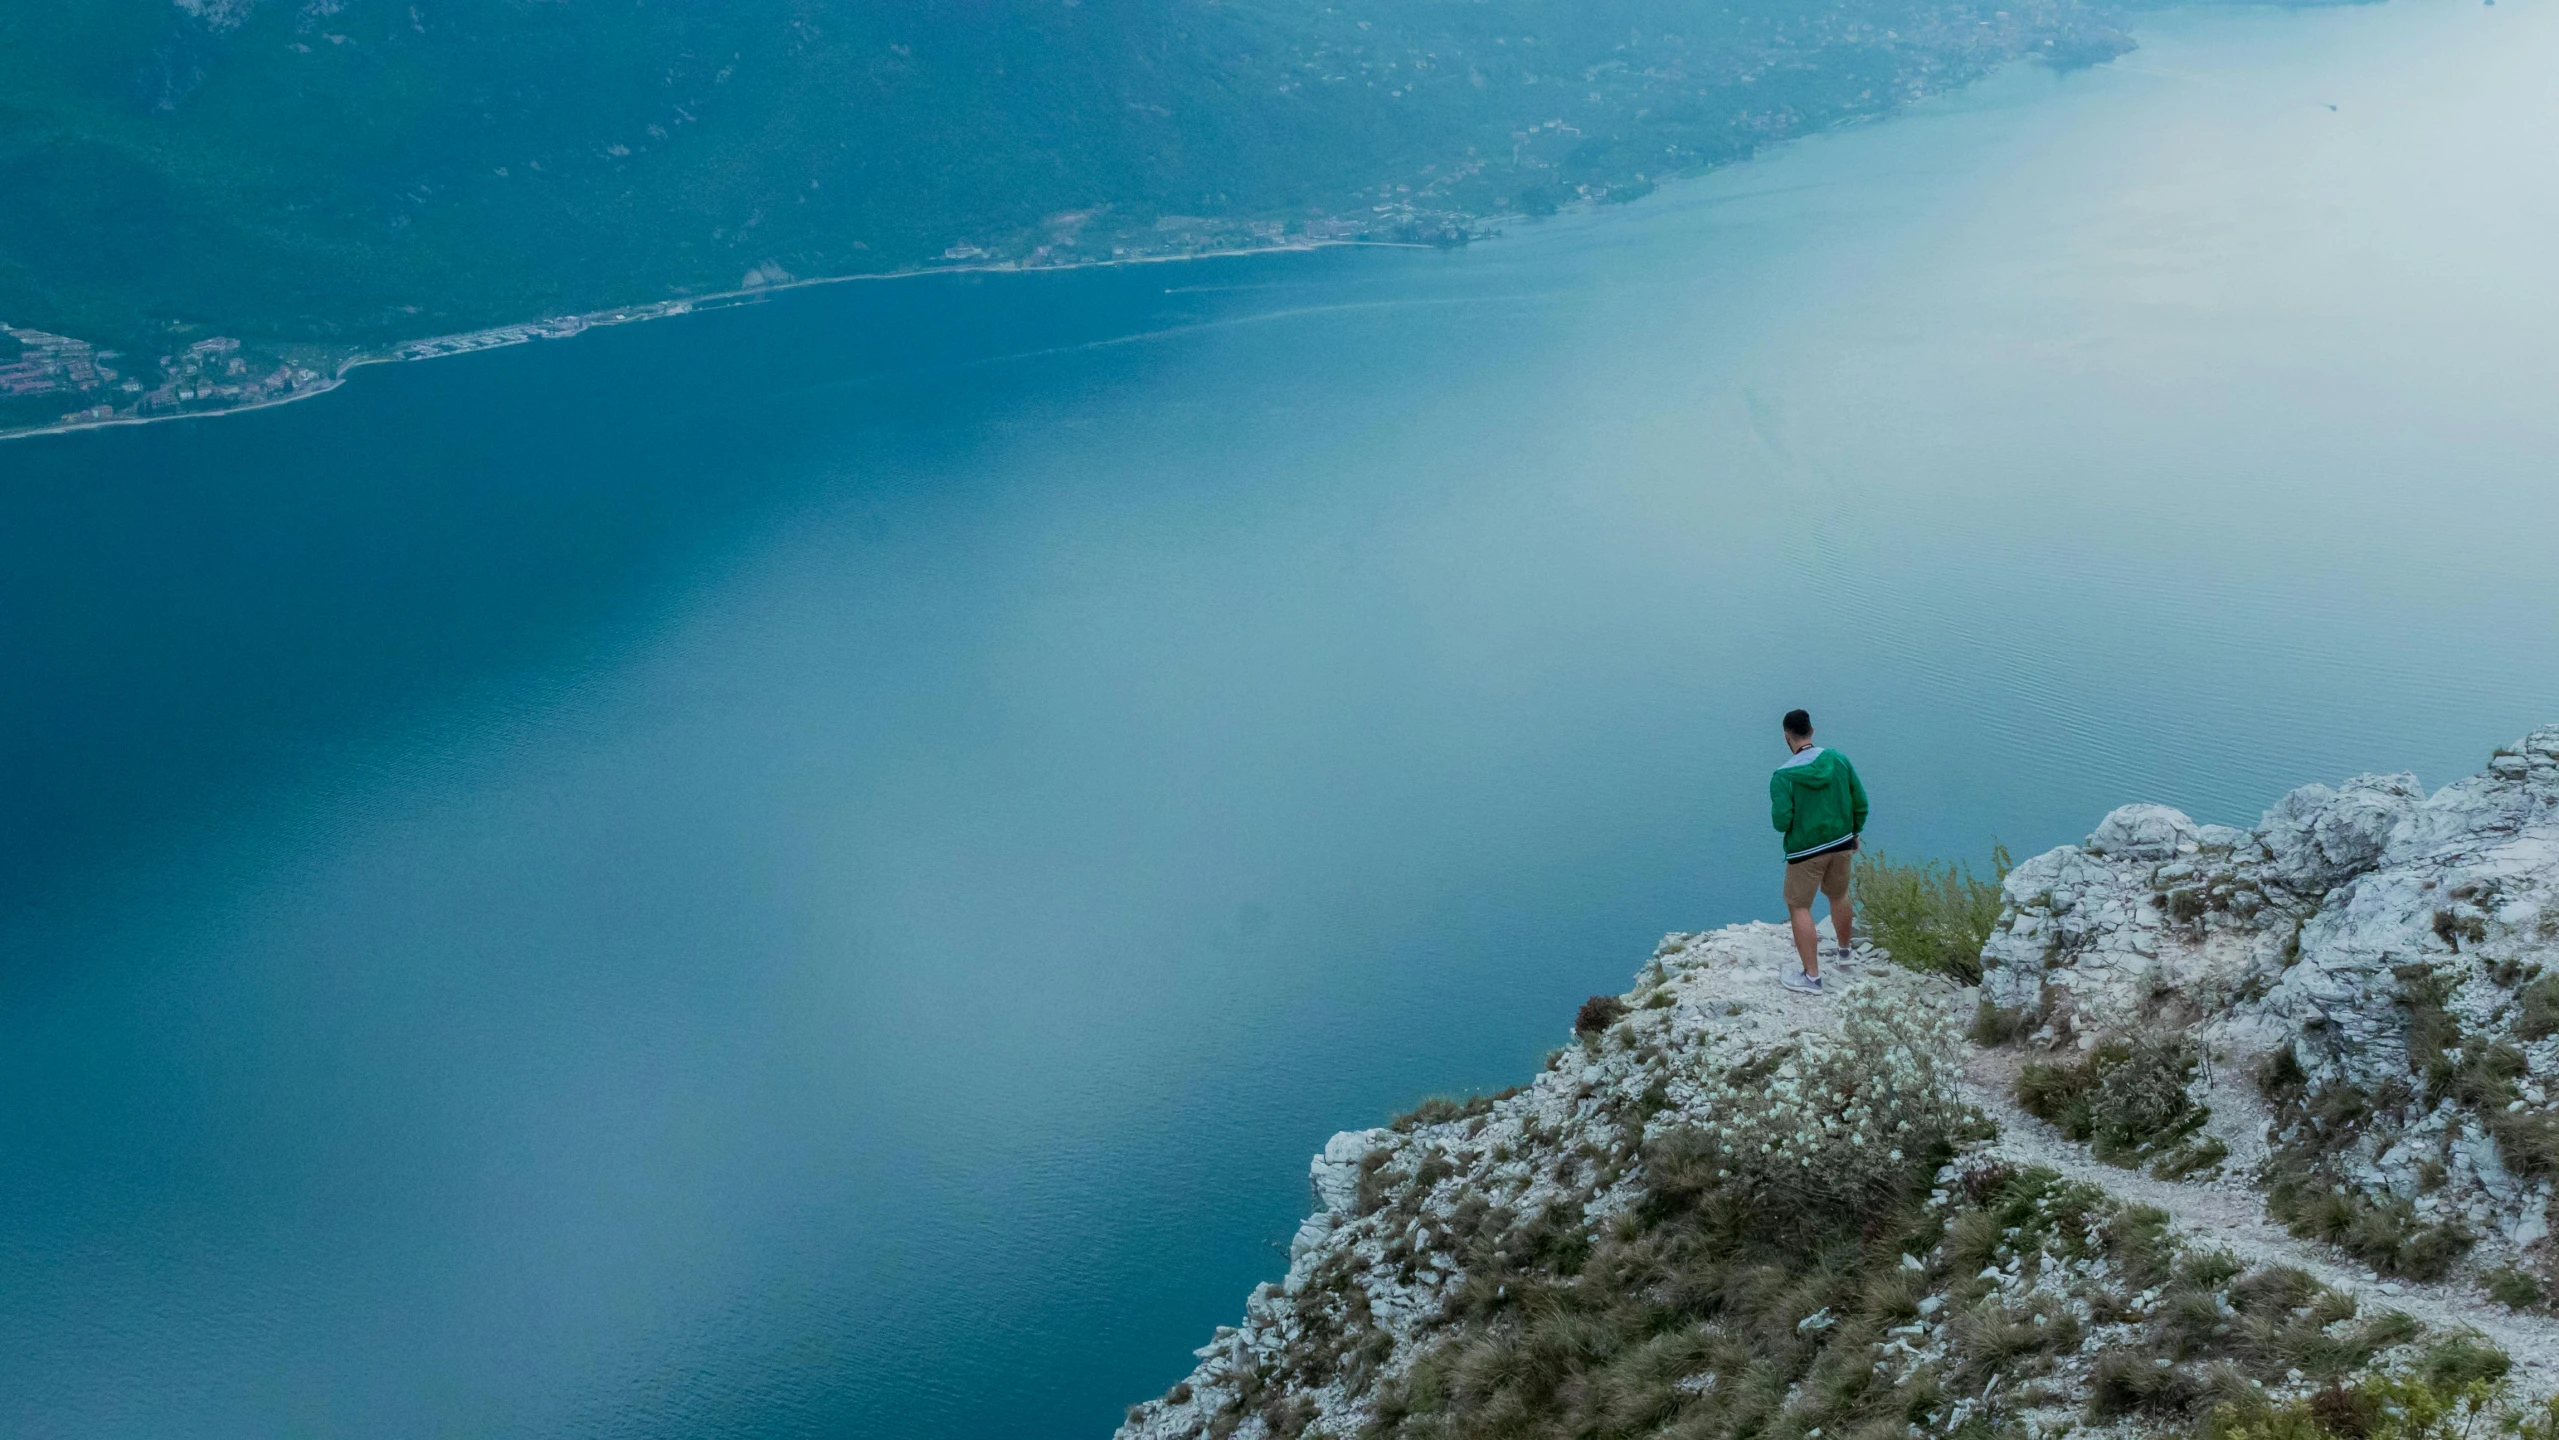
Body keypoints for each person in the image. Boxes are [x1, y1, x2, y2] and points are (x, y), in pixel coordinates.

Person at [1770, 709, 1867, 995]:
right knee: (1839, 895)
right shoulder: (1839, 760)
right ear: (1812, 730)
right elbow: (1860, 801)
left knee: (1799, 906)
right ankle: (1845, 954)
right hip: (1841, 843)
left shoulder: (1783, 776)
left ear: (1787, 735)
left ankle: (1812, 977)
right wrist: (1855, 832)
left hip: (1805, 852)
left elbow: (1781, 822)